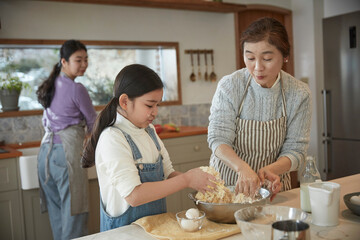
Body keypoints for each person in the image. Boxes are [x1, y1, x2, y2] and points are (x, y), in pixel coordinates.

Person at [81, 64, 216, 230]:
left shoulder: (149, 131)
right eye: (149, 105)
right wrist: (187, 178)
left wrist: (199, 182)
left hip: (155, 230)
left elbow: (168, 174)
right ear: (124, 101)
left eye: (158, 104)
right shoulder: (112, 138)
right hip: (124, 234)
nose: (156, 112)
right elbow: (134, 196)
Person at [208, 17, 312, 199]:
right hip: (227, 190)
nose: (257, 67)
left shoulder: (299, 93)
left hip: (272, 188)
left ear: (285, 56)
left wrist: (269, 171)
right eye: (250, 58)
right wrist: (243, 168)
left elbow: (296, 151)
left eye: (267, 58)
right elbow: (218, 138)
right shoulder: (230, 86)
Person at [36, 39, 96, 240]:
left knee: (58, 215)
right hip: (66, 156)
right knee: (74, 214)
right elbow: (94, 123)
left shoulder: (50, 84)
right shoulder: (77, 88)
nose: (84, 64)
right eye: (78, 60)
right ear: (64, 61)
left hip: (45, 154)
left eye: (86, 59)